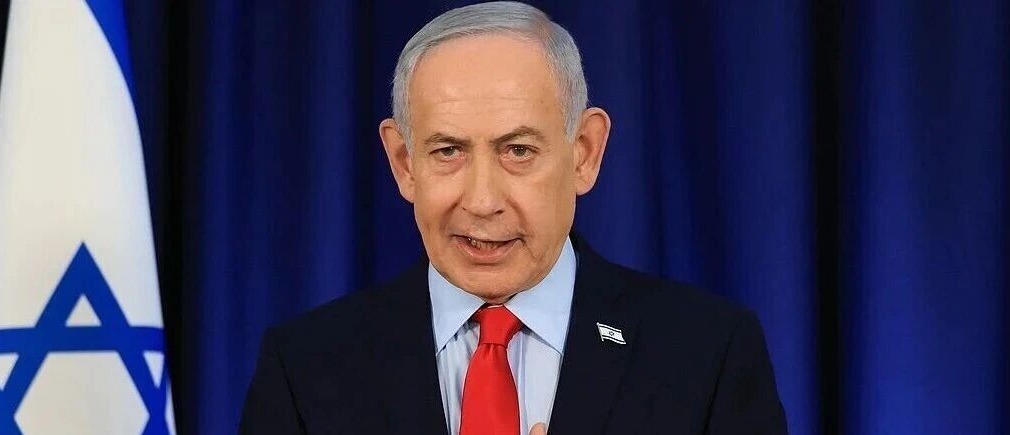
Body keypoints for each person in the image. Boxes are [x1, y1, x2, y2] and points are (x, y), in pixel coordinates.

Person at [239, 2, 787, 434]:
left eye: (518, 151)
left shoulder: (707, 355)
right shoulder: (305, 369)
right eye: (448, 151)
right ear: (404, 163)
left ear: (585, 153)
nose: (482, 201)